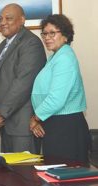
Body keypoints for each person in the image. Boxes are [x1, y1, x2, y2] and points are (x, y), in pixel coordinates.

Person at [30, 14, 90, 163]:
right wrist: (39, 119)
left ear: (65, 35)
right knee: (56, 176)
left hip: (65, 127)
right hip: (55, 123)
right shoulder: (56, 56)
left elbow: (57, 98)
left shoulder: (64, 58)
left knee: (64, 177)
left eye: (52, 33)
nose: (47, 37)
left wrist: (35, 118)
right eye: (44, 33)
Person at [0, 3, 46, 153]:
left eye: (8, 18)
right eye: (0, 19)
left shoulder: (31, 43)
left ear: (22, 20)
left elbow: (24, 83)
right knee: (9, 174)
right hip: (7, 123)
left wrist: (2, 112)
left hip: (23, 125)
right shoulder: (3, 45)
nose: (2, 22)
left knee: (24, 173)